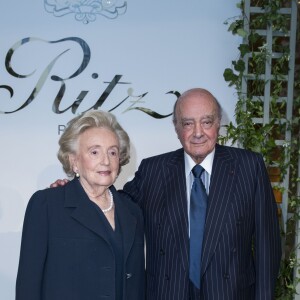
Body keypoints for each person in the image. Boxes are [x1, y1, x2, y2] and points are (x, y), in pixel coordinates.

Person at [52, 88, 282, 299]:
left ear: (219, 123)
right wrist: (78, 190)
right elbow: (116, 205)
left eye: (207, 122)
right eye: (188, 124)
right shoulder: (154, 170)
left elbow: (267, 248)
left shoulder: (248, 167)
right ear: (176, 128)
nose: (198, 133)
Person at [16, 110, 145, 300]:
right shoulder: (47, 205)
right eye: (94, 152)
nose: (106, 161)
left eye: (112, 152)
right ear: (74, 161)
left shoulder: (132, 211)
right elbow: (29, 285)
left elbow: (136, 285)